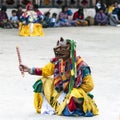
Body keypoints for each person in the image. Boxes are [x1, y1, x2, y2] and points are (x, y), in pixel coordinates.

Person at [19, 37, 99, 117]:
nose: (58, 51)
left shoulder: (81, 65)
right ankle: (63, 105)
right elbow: (45, 71)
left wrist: (72, 87)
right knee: (43, 81)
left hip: (74, 92)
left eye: (61, 48)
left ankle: (73, 106)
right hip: (60, 91)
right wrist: (29, 70)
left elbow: (90, 86)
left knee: (75, 96)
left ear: (69, 50)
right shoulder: (57, 61)